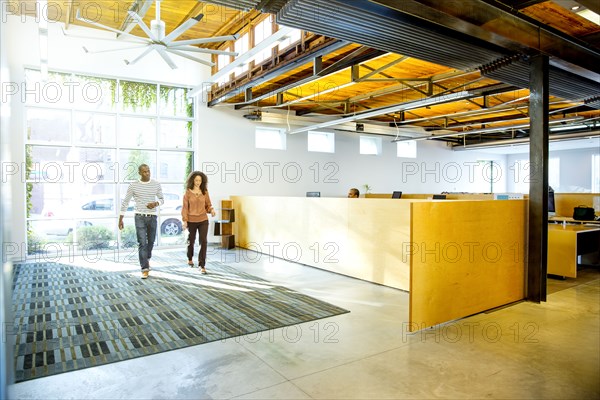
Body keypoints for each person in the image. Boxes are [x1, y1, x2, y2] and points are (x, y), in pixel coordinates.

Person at [118, 164, 164, 279]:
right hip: (139, 217)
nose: (147, 173)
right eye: (144, 172)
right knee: (142, 243)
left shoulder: (156, 184)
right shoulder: (133, 185)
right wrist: (121, 218)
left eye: (148, 171)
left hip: (152, 216)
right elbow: (125, 202)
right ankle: (144, 268)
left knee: (151, 242)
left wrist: (155, 203)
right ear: (139, 173)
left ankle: (146, 258)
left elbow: (162, 199)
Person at [181, 171, 216, 274]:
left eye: (200, 180)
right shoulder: (187, 192)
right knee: (190, 241)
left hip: (203, 220)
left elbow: (208, 205)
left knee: (203, 241)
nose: (198, 182)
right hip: (191, 220)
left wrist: (212, 210)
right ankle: (190, 257)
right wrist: (185, 221)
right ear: (192, 180)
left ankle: (202, 265)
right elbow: (185, 208)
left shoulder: (204, 191)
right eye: (196, 180)